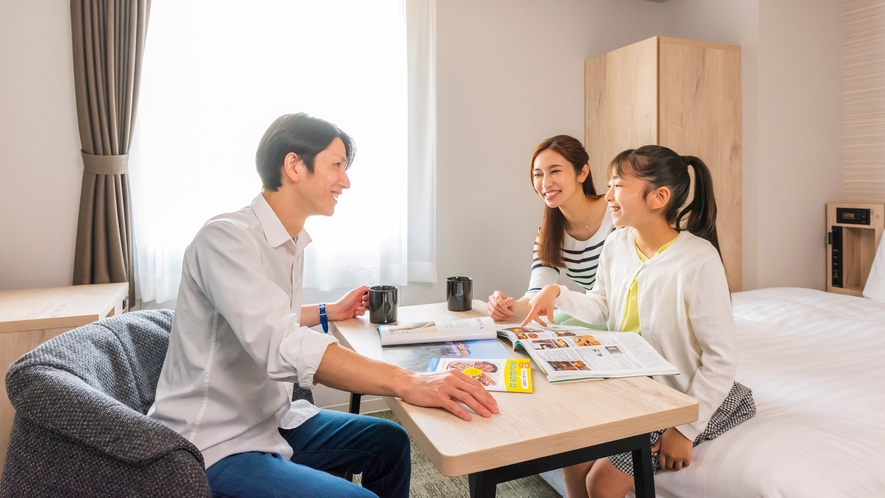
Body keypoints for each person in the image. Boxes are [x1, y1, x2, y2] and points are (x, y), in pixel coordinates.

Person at [148, 113, 498, 498]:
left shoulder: (291, 241)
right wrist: (409, 382)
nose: (345, 181)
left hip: (272, 420)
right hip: (214, 443)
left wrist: (328, 310)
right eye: (336, 166)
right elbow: (279, 343)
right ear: (294, 165)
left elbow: (263, 315)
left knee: (390, 442)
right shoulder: (225, 239)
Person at [521, 145, 755, 498]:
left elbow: (721, 358)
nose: (608, 196)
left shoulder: (698, 262)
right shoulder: (617, 244)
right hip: (630, 390)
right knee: (573, 460)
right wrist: (557, 293)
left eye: (618, 186)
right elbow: (601, 305)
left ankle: (724, 406)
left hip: (675, 398)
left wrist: (685, 429)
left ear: (658, 197)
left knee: (601, 483)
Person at [487, 135, 614, 323]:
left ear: (582, 173)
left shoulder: (617, 214)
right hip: (596, 314)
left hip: (625, 317)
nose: (545, 184)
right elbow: (536, 295)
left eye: (555, 171)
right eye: (538, 174)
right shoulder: (549, 235)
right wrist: (506, 307)